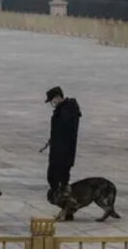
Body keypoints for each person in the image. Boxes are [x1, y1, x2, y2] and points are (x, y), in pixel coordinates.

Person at [45, 86, 81, 218]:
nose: (52, 103)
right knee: (56, 180)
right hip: (60, 151)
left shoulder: (66, 111)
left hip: (62, 153)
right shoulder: (65, 109)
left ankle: (68, 208)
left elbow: (64, 132)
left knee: (58, 181)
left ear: (57, 97)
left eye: (52, 100)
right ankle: (67, 209)